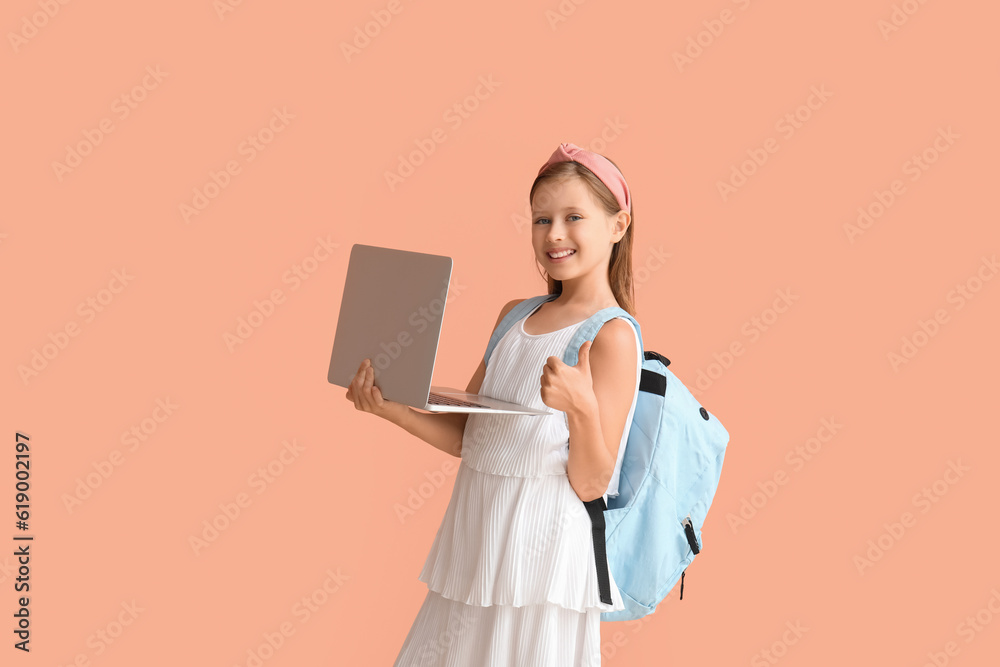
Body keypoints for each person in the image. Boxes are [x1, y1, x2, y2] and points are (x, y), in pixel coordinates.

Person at [346, 142, 643, 666]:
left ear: (618, 225)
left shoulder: (612, 336)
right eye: (540, 219)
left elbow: (594, 483)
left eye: (574, 217)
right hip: (475, 541)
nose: (553, 234)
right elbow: (469, 437)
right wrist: (388, 407)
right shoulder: (513, 315)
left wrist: (581, 409)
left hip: (541, 558)